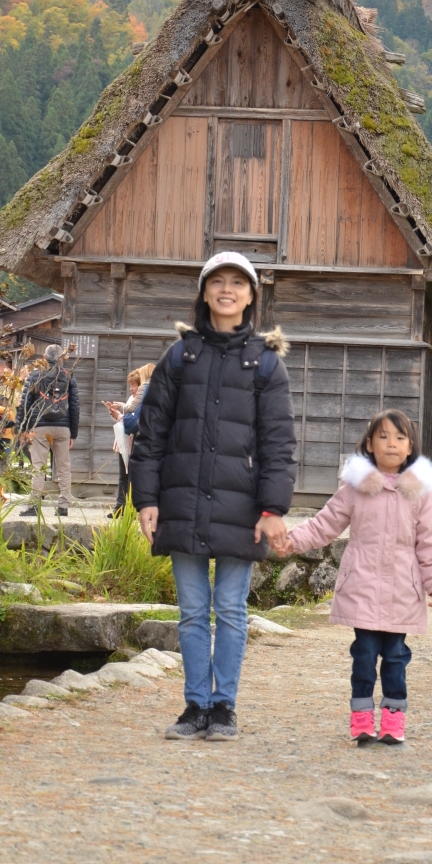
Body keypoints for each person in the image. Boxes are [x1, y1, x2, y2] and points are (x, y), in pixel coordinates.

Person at [130, 251, 296, 742]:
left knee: (231, 606)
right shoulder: (180, 357)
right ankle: (194, 705)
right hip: (182, 502)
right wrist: (147, 499)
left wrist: (273, 509)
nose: (227, 290)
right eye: (217, 282)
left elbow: (279, 443)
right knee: (191, 610)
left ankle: (224, 706)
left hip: (241, 506)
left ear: (251, 296)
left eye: (237, 283)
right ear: (204, 293)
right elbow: (152, 435)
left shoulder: (266, 363)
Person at [281, 410, 432, 745]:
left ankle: (393, 722)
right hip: (362, 587)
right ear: (370, 444)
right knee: (364, 655)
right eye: (383, 436)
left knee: (396, 656)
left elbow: (430, 540)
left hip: (402, 591)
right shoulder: (355, 489)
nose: (391, 444)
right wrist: (292, 540)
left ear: (410, 446)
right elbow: (325, 523)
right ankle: (361, 720)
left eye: (400, 438)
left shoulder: (419, 493)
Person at [18, 345, 80, 518]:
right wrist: (72, 433)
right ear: (61, 358)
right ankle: (63, 506)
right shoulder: (68, 377)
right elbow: (75, 407)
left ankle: (34, 505)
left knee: (38, 466)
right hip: (63, 427)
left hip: (41, 426)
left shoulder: (35, 375)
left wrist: (22, 428)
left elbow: (25, 402)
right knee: (64, 467)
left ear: (44, 357)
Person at [105, 364, 155, 518]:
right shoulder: (135, 398)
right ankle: (120, 507)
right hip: (125, 441)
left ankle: (130, 509)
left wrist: (119, 410)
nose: (132, 389)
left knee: (132, 477)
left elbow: (130, 416)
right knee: (123, 476)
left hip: (136, 441)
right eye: (131, 385)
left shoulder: (143, 395)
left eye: (134, 385)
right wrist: (116, 411)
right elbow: (125, 418)